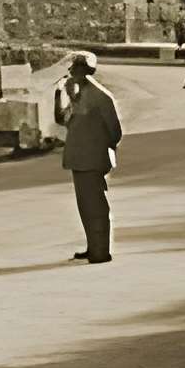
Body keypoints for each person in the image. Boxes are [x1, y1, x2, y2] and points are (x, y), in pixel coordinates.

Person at [56, 51, 124, 263]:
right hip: (80, 159)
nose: (70, 73)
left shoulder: (99, 96)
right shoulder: (79, 96)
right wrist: (59, 95)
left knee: (96, 207)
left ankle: (101, 251)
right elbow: (61, 120)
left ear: (82, 71)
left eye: (73, 69)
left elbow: (115, 131)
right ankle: (92, 246)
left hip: (92, 159)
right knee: (86, 206)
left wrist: (100, 148)